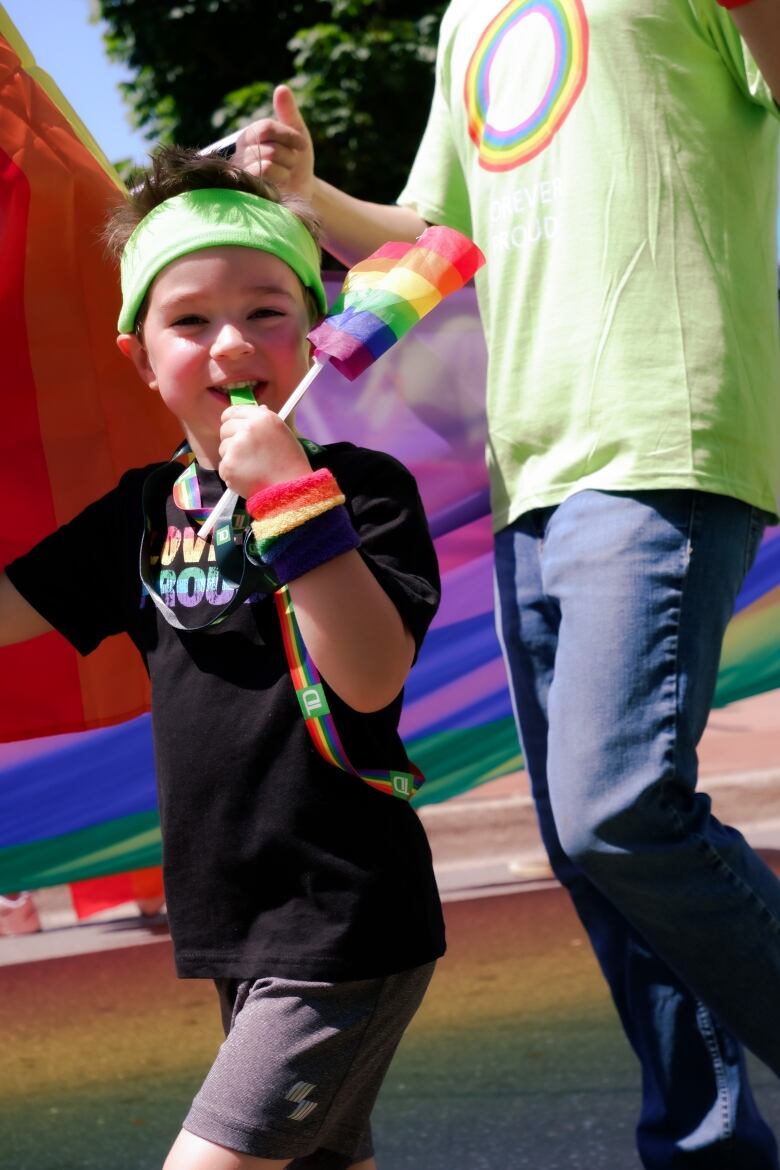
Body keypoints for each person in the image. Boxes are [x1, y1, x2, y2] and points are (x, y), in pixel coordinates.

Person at [233, 1, 780, 1166]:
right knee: (595, 855)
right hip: (528, 471)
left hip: (659, 425)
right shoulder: (469, 14)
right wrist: (309, 197)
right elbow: (436, 234)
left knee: (620, 808)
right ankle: (710, 1155)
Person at [0, 146, 445, 1170]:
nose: (231, 341)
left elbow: (369, 677)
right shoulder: (140, 515)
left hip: (344, 921)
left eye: (267, 310)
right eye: (189, 320)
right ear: (141, 358)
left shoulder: (362, 490)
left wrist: (291, 498)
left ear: (317, 330)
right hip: (233, 923)